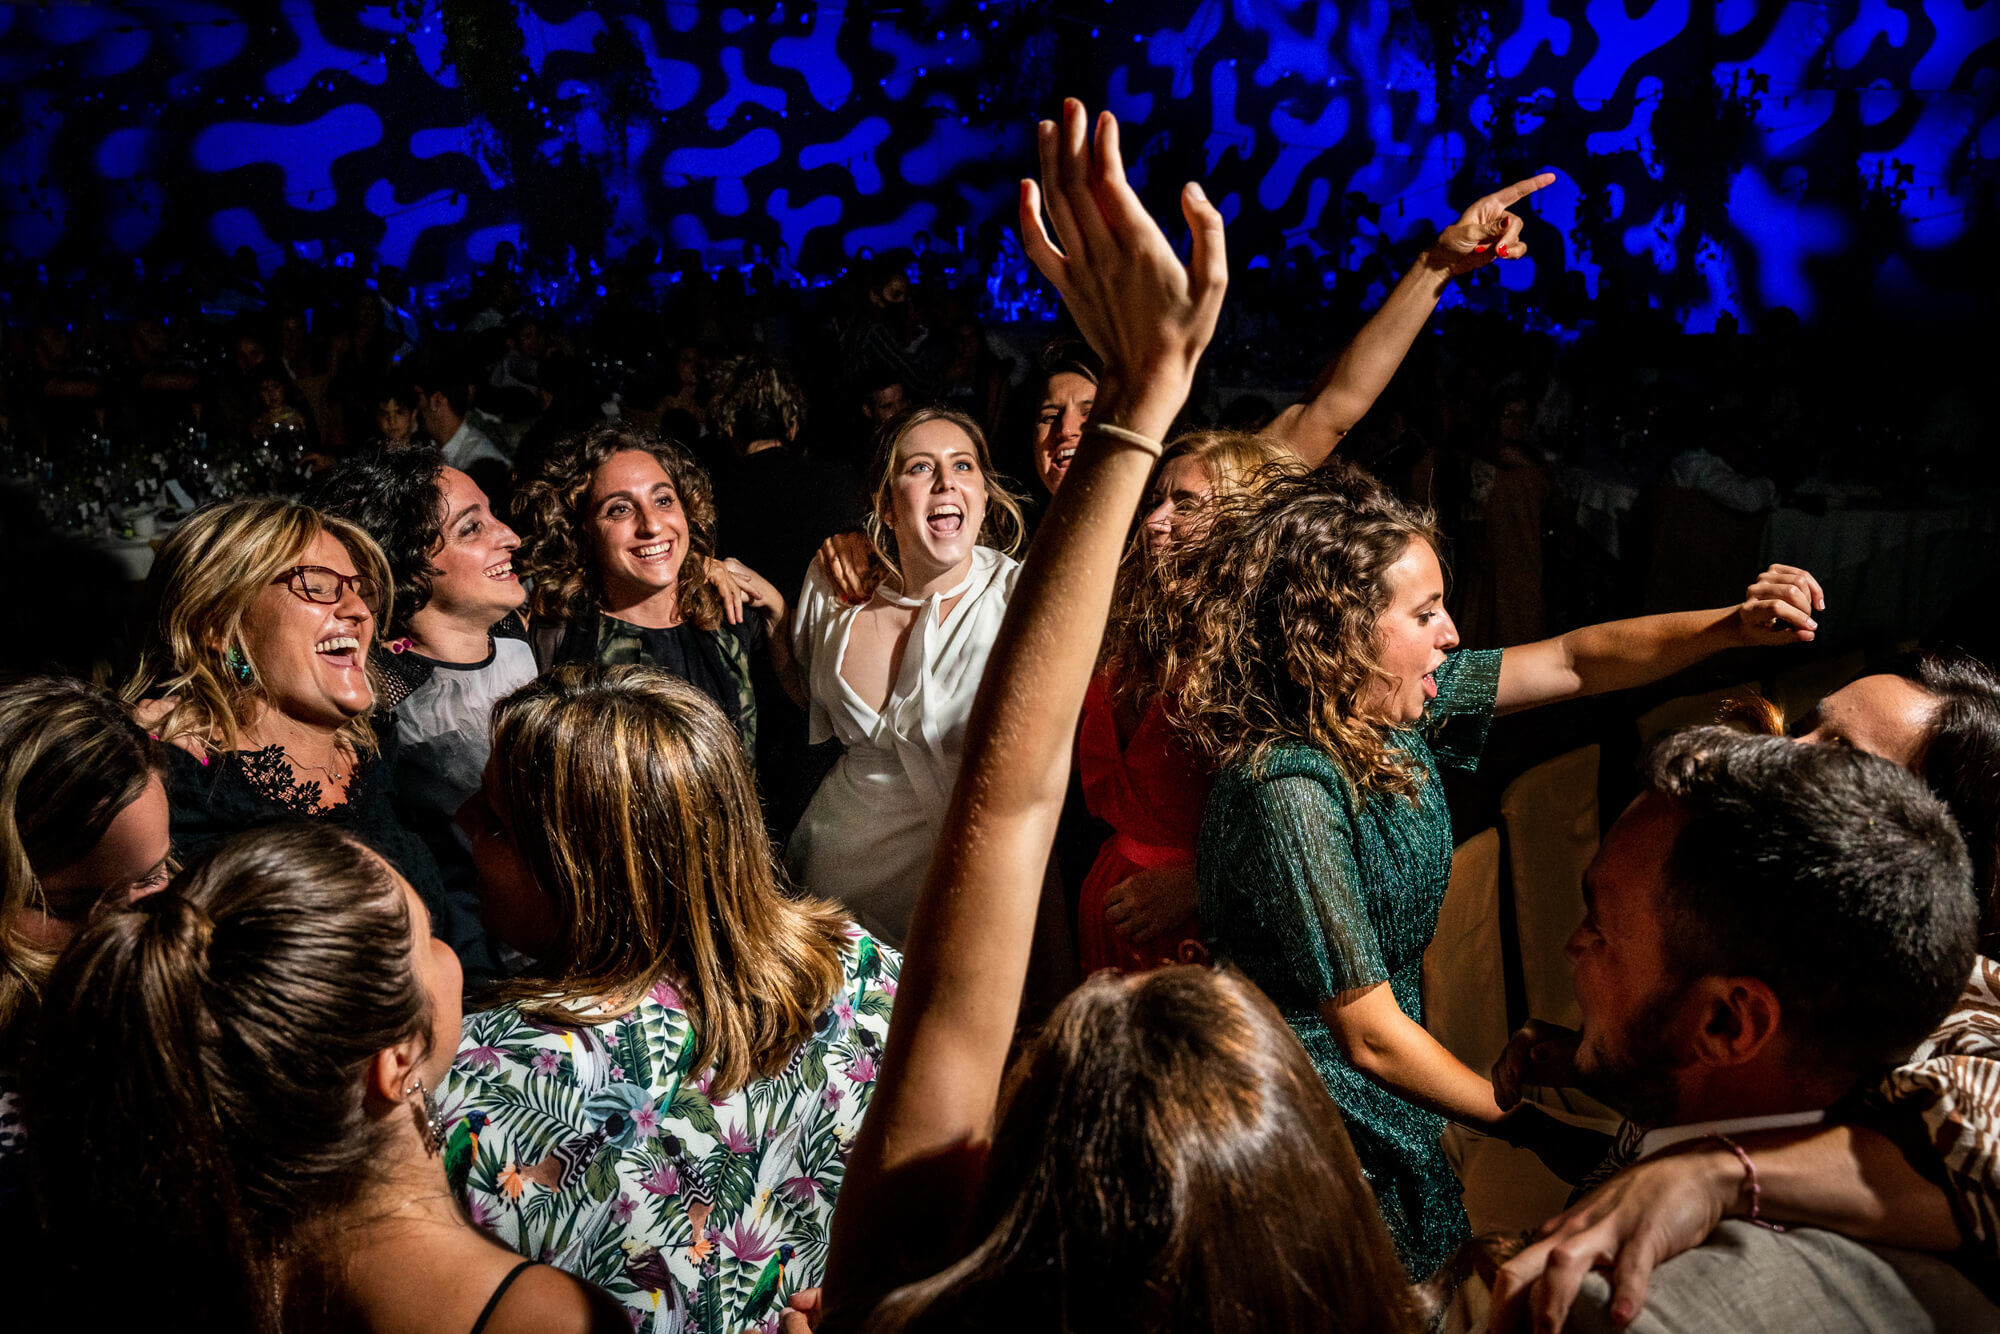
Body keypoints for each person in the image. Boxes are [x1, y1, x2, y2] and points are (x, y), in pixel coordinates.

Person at [813, 98, 1415, 1333]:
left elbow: (1011, 792)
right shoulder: (1051, 558)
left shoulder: (1194, 566)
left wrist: (1150, 403)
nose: (1060, 436)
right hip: (1085, 922)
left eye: (1084, 424)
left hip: (1181, 925)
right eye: (1045, 421)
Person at [1165, 471, 1822, 1278]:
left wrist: (1730, 627)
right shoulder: (1288, 787)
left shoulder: (1395, 714)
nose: (1450, 634)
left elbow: (1578, 661)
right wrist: (1532, 1126)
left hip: (1390, 1093)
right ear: (1338, 631)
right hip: (1301, 1109)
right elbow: (1366, 1036)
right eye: (1425, 612)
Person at [1488, 648, 2000, 1329]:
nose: (1787, 750)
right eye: (1808, 727)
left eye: (1837, 757)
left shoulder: (1950, 994)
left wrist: (1717, 1173)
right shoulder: (1778, 957)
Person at [25, 825, 629, 1334]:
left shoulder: (153, 1274)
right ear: (394, 1063)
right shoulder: (546, 1319)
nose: (450, 954)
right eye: (426, 939)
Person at [444, 664, 897, 1330]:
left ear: (583, 874)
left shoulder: (483, 1079)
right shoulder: (865, 972)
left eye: (495, 823)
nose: (461, 822)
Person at [123, 499, 448, 921]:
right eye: (316, 584)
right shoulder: (178, 788)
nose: (358, 610)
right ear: (219, 626)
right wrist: (121, 733)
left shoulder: (375, 743)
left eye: (358, 588)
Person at [782, 406, 1028, 947]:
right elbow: (802, 695)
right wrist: (777, 614)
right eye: (920, 468)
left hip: (958, 890)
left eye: (963, 466)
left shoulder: (1020, 598)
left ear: (985, 496)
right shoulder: (834, 584)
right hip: (831, 882)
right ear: (886, 506)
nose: (945, 481)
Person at [305, 446, 532, 982]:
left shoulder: (517, 637)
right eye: (472, 529)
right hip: (488, 966)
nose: (511, 536)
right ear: (407, 561)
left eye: (493, 516)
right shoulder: (389, 701)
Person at [514, 425, 796, 759]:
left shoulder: (728, 610)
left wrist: (777, 607)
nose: (651, 525)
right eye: (620, 508)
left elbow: (806, 705)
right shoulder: (558, 634)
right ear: (582, 531)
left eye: (663, 500)